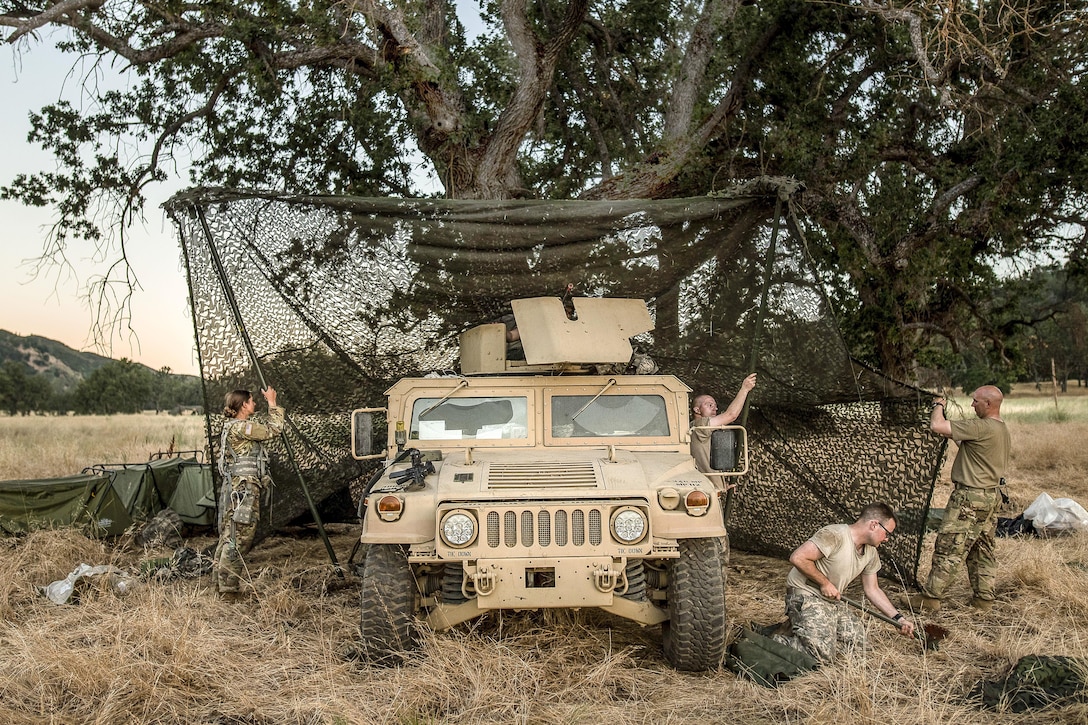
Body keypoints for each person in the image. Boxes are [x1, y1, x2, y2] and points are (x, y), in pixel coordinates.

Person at [902, 386, 1011, 613]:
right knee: (982, 549)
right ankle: (983, 600)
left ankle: (930, 598)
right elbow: (964, 443)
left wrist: (938, 405)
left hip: (969, 498)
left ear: (988, 404)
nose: (972, 405)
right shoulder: (1000, 429)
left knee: (950, 546)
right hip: (990, 497)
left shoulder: (981, 426)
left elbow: (936, 426)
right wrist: (951, 430)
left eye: (975, 401)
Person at [772, 502, 915, 663]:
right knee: (821, 655)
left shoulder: (871, 552)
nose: (887, 539)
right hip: (806, 596)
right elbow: (798, 557)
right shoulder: (835, 534)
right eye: (887, 533)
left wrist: (898, 619)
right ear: (874, 525)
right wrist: (824, 583)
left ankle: (803, 631)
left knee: (859, 647)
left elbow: (873, 589)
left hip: (831, 602)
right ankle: (773, 640)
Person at [213, 386, 284, 597]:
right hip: (243, 491)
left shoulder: (231, 427)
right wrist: (273, 403)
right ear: (243, 405)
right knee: (239, 537)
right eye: (252, 401)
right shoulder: (241, 427)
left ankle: (219, 584)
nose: (254, 404)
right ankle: (228, 590)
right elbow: (274, 429)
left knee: (229, 535)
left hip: (236, 489)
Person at [689, 372, 757, 477]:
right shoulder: (699, 425)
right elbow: (731, 415)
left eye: (715, 406)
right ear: (697, 410)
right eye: (709, 404)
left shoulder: (708, 431)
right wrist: (744, 389)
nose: (715, 408)